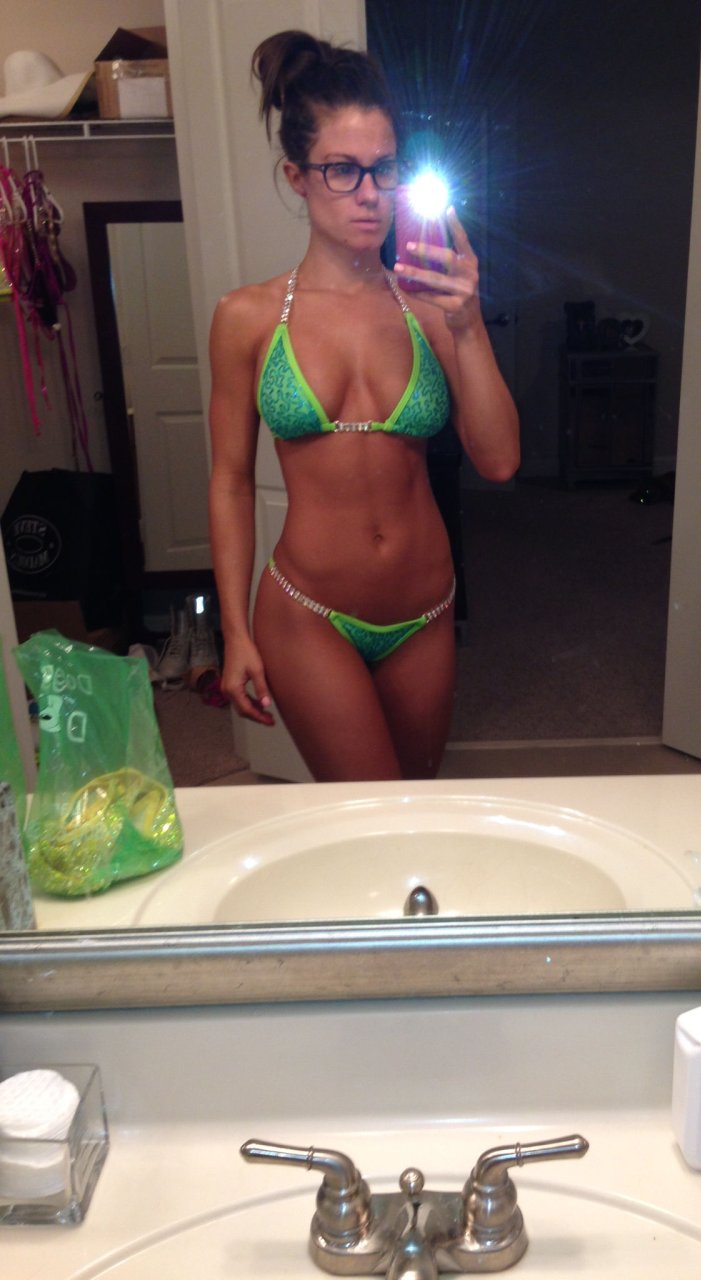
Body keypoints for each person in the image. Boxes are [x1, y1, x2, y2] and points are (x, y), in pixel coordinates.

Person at [207, 31, 519, 782]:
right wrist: (234, 631)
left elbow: (500, 461)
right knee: (369, 814)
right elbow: (230, 480)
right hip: (307, 611)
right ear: (298, 176)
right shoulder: (248, 317)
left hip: (425, 613)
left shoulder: (431, 306)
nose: (370, 193)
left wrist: (469, 324)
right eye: (342, 170)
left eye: (385, 168)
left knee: (414, 810)